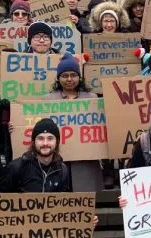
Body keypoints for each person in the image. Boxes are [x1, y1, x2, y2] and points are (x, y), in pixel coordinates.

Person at [0, 119, 97, 226]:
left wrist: (85, 218)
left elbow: (65, 207)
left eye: (50, 138)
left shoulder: (62, 170)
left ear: (57, 142)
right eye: (40, 138)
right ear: (33, 142)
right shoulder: (17, 167)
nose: (45, 143)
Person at [41, 55, 104, 191]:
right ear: (58, 78)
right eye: (65, 76)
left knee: (85, 194)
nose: (69, 79)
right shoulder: (48, 99)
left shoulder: (91, 98)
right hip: (57, 156)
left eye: (73, 75)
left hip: (85, 157)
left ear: (79, 77)